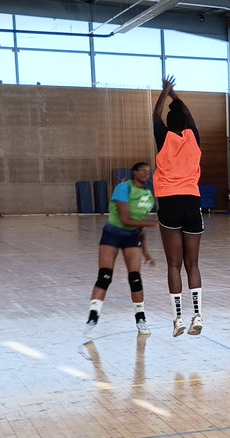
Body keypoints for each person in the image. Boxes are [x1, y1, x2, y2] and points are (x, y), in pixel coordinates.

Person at [153, 75, 205, 337]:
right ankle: (198, 315)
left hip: (170, 202)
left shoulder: (164, 137)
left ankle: (178, 320)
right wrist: (175, 95)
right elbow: (190, 116)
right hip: (192, 201)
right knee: (192, 264)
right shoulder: (193, 137)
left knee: (173, 265)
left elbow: (155, 115)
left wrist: (164, 92)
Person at [85, 162, 157, 338]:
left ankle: (141, 320)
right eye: (142, 170)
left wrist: (146, 251)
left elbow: (139, 224)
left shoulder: (148, 195)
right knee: (104, 277)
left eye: (149, 171)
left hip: (132, 237)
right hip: (113, 234)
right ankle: (92, 318)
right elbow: (125, 219)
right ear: (134, 172)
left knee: (135, 278)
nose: (146, 174)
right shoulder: (123, 188)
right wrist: (154, 223)